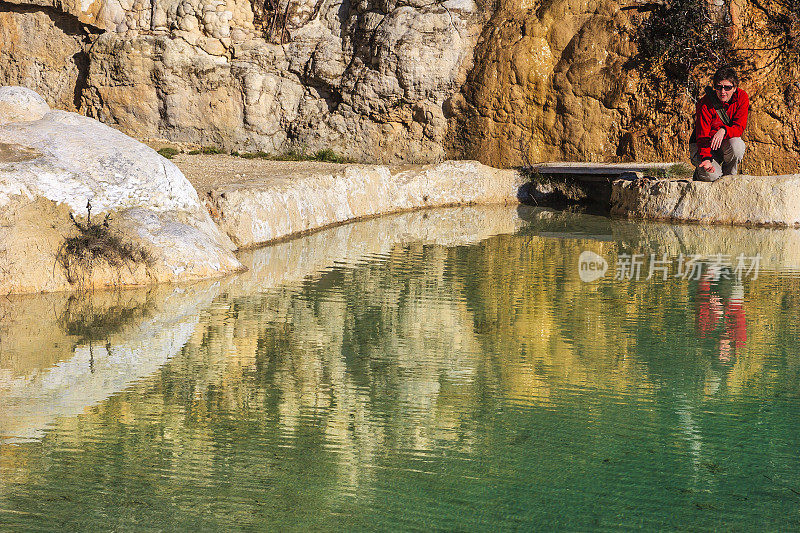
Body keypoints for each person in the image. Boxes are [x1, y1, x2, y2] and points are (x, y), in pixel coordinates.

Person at [689, 66, 749, 182]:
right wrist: (705, 158)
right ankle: (700, 174)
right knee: (712, 177)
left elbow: (739, 127)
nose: (723, 92)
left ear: (734, 88)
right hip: (703, 145)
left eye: (727, 88)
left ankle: (729, 179)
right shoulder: (705, 104)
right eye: (719, 87)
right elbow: (702, 135)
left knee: (737, 146)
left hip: (722, 141)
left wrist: (724, 130)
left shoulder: (741, 98)